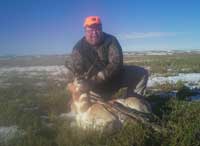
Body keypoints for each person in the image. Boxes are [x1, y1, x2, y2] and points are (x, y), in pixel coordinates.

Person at [66, 16, 149, 100]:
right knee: (80, 90)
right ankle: (95, 101)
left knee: (141, 73)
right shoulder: (78, 48)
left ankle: (134, 101)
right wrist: (80, 84)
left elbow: (116, 63)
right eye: (90, 30)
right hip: (95, 89)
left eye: (97, 29)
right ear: (85, 31)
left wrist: (96, 79)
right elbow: (75, 71)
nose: (94, 33)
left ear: (101, 29)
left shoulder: (110, 40)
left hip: (115, 79)